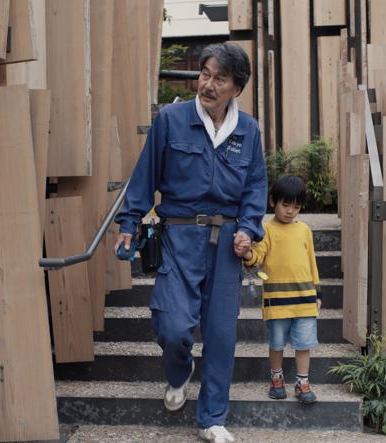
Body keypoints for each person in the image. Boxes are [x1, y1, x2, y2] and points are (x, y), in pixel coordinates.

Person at [114, 43, 267, 443]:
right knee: (173, 325)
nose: (208, 84)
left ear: (237, 87)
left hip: (227, 241)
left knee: (219, 334)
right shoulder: (171, 120)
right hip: (179, 236)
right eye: (205, 74)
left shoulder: (248, 131)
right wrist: (129, 222)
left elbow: (255, 187)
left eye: (220, 78)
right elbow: (145, 175)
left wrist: (249, 229)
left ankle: (212, 418)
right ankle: (179, 372)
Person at [240, 175, 322, 404]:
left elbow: (311, 262)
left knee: (304, 344)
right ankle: (276, 378)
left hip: (305, 298)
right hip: (277, 299)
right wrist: (247, 253)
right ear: (272, 201)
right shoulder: (266, 230)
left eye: (296, 206)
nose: (290, 211)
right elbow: (257, 256)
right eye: (285, 205)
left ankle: (302, 381)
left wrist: (318, 291)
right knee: (276, 343)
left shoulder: (304, 230)